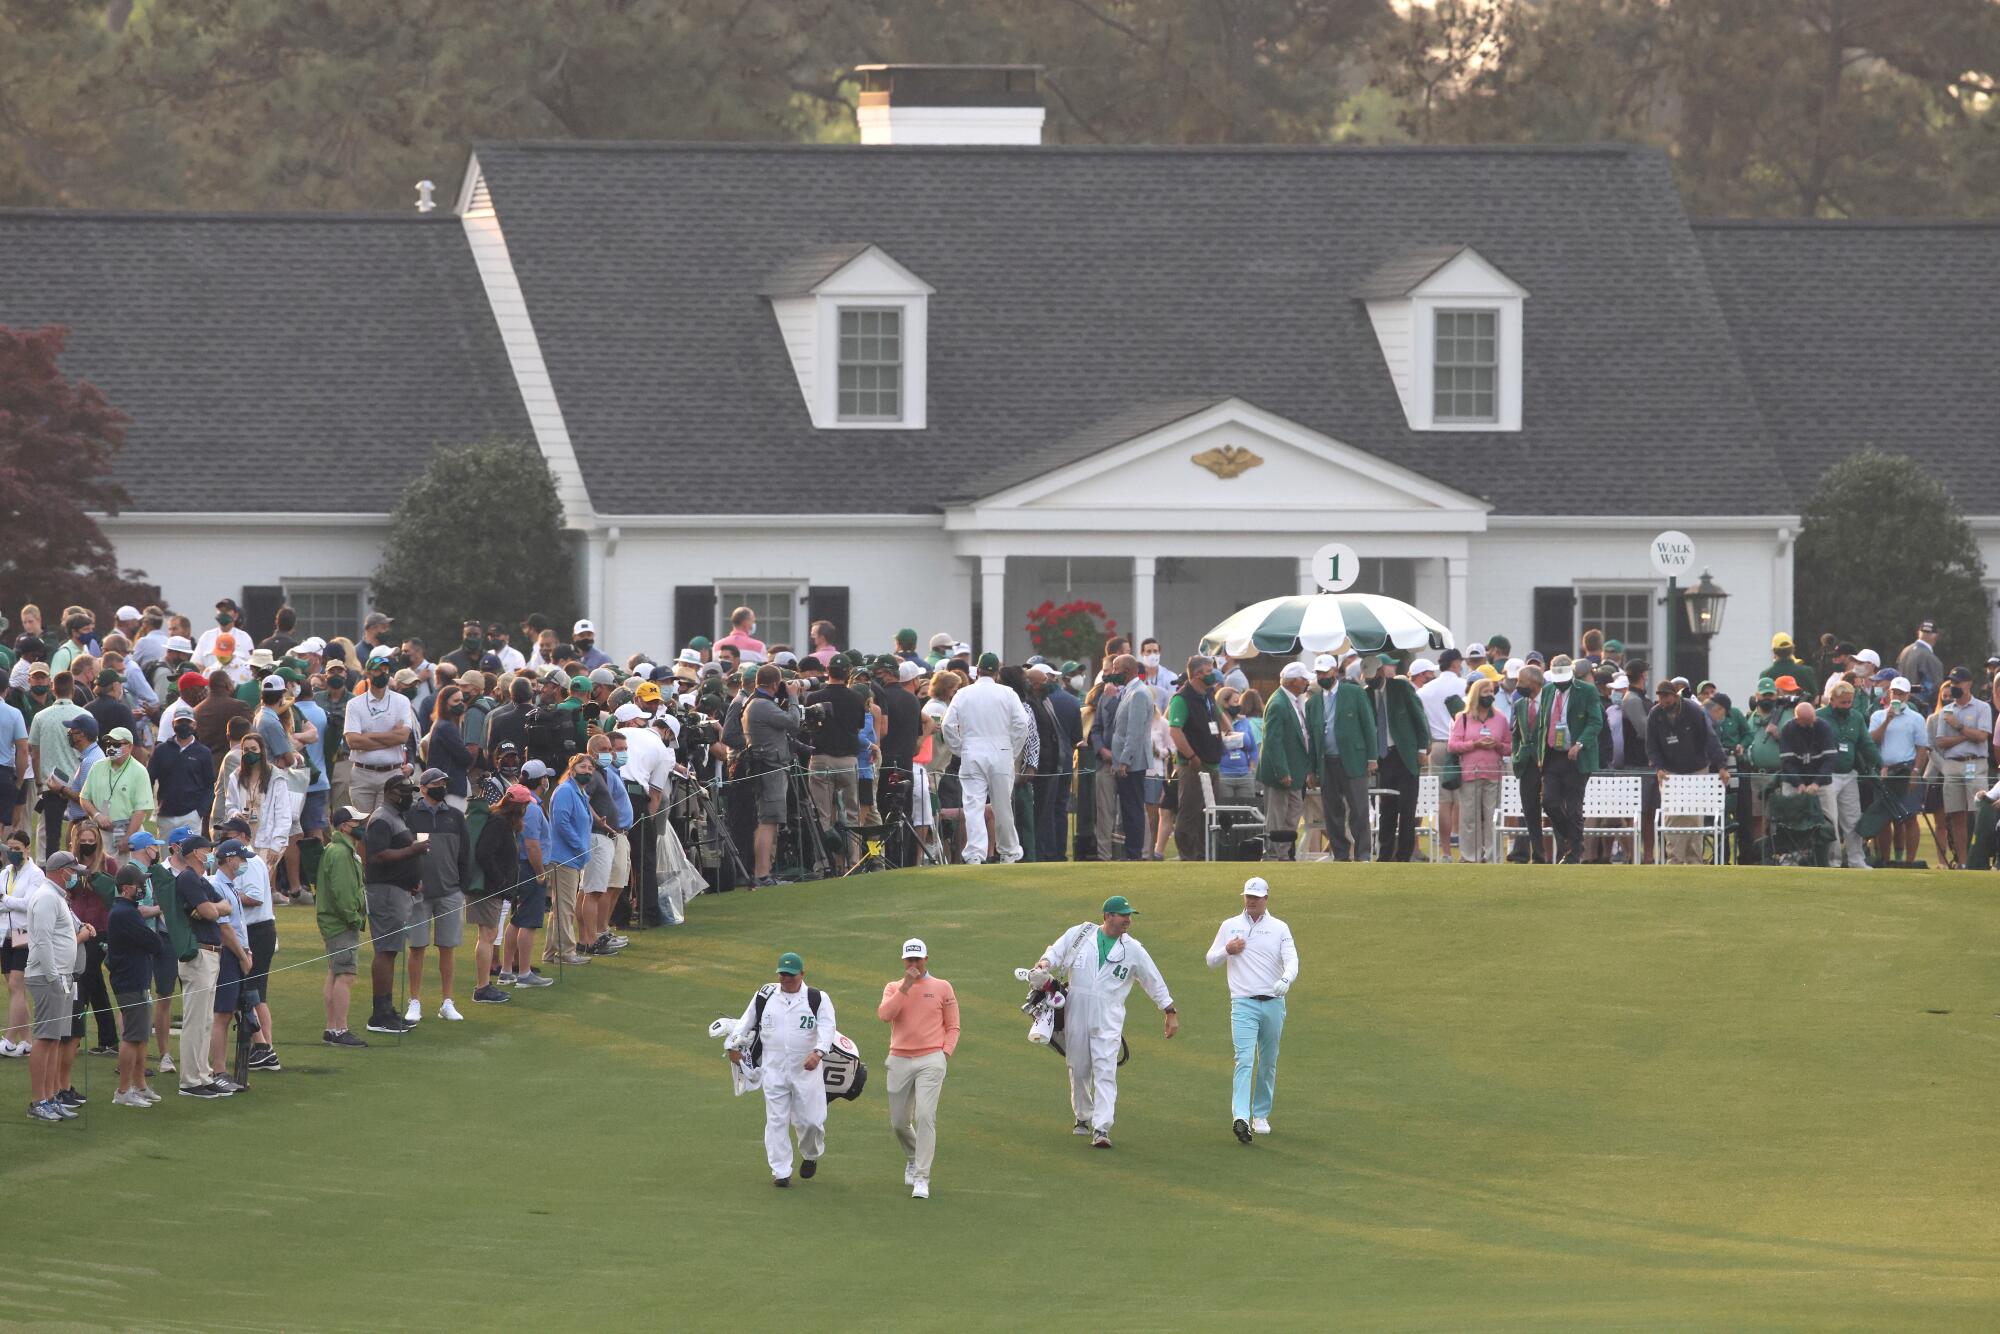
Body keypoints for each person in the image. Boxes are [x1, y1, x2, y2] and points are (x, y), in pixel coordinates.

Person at [1034, 895, 1177, 1148]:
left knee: (1105, 1070)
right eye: (1123, 915)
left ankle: (1102, 1128)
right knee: (1078, 1067)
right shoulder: (1080, 933)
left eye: (1129, 916)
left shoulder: (1133, 949)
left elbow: (1152, 979)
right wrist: (1045, 963)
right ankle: (1082, 1116)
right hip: (1076, 1010)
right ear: (1108, 916)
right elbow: (1055, 952)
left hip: (1109, 1017)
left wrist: (1169, 1010)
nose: (1128, 920)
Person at [726, 951, 835, 1187]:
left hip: (806, 1071)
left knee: (811, 1122)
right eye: (782, 974)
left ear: (802, 974)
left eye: (790, 975)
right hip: (773, 1069)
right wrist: (732, 1045)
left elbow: (827, 1028)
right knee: (776, 1120)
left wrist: (818, 1053)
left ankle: (811, 1154)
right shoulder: (764, 996)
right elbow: (745, 1022)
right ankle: (781, 1171)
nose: (785, 979)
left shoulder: (817, 998)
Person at [1205, 876, 1298, 1143]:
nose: (1251, 902)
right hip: (1243, 1002)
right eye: (1248, 897)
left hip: (1273, 1003)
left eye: (1256, 897)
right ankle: (1241, 1117)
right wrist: (1227, 949)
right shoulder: (1229, 926)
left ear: (1266, 899)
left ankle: (1260, 1114)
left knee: (1268, 1061)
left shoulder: (1279, 928)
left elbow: (1292, 960)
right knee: (1243, 1060)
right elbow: (1211, 959)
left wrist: (1285, 980)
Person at [877, 937, 960, 1200]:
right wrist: (906, 986)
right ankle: (913, 1158)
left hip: (931, 1060)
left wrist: (943, 1054)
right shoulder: (893, 987)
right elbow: (885, 1015)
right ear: (903, 961)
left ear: (926, 959)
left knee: (926, 1116)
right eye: (909, 959)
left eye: (918, 959)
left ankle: (922, 1177)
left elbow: (953, 1026)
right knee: (899, 1122)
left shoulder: (942, 987)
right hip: (899, 1059)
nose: (914, 964)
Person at [941, 654, 1032, 866]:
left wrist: (959, 749)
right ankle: (1008, 851)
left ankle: (975, 853)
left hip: (972, 750)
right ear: (996, 672)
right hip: (1001, 750)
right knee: (1002, 805)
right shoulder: (1007, 693)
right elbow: (1022, 724)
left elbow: (947, 725)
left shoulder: (963, 693)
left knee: (973, 804)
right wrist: (1012, 749)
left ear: (978, 671)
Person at [1516, 655, 1602, 865]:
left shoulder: (1587, 691)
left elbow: (1596, 721)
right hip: (1553, 756)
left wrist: (1579, 744)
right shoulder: (1547, 691)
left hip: (1576, 757)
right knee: (1549, 802)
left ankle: (1573, 854)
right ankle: (1574, 840)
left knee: (1573, 806)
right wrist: (1539, 754)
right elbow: (1542, 725)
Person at [166, 830, 233, 1097]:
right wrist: (212, 909)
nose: (211, 854)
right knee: (196, 1019)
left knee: (205, 1019)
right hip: (200, 953)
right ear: (196, 853)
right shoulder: (188, 879)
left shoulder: (200, 880)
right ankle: (190, 1080)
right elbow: (209, 910)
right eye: (207, 850)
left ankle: (202, 1074)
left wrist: (213, 909)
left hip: (211, 952)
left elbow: (225, 906)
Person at [24, 850, 89, 1121]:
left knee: (54, 1039)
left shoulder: (57, 897)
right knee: (46, 1038)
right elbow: (42, 940)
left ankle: (51, 1097)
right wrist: (54, 976)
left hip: (62, 978)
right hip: (49, 978)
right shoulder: (46, 897)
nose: (75, 876)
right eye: (72, 871)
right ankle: (39, 1101)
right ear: (61, 871)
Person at [405, 767, 473, 1022]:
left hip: (450, 892)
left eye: (444, 782)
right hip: (418, 893)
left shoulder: (455, 816)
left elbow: (465, 854)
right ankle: (414, 1002)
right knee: (417, 947)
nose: (442, 786)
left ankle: (447, 1002)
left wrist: (461, 887)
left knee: (447, 947)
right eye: (436, 783)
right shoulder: (411, 815)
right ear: (423, 788)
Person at [362, 774, 426, 1034]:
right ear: (389, 792)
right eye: (403, 791)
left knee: (391, 949)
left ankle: (387, 1010)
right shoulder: (381, 818)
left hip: (398, 891)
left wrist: (410, 879)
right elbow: (377, 855)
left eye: (410, 791)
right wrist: (413, 850)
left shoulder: (396, 817)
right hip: (385, 893)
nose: (408, 796)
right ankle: (379, 1014)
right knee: (386, 950)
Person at [1646, 678, 1730, 864]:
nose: (1663, 702)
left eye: (1666, 697)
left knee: (1693, 815)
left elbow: (1710, 739)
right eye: (1660, 698)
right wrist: (1658, 768)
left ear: (1675, 696)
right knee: (1672, 816)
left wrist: (1722, 766)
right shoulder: (1655, 714)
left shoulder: (1693, 711)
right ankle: (1674, 859)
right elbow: (1652, 745)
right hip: (1670, 770)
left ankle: (1694, 860)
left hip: (1696, 768)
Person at [105, 863, 165, 1106]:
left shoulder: (128, 911)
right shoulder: (125, 914)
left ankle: (139, 1085)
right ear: (127, 888)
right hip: (130, 982)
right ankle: (123, 1091)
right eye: (140, 885)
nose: (143, 888)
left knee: (141, 1035)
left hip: (136, 979)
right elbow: (155, 943)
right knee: (132, 1036)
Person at [742, 664, 802, 885]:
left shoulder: (756, 703)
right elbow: (793, 722)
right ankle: (762, 875)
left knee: (769, 821)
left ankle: (763, 873)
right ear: (775, 684)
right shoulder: (761, 705)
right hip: (771, 768)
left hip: (768, 767)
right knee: (768, 822)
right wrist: (794, 698)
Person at [1316, 655, 1379, 862]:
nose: (1321, 676)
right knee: (1332, 812)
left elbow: (1369, 726)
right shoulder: (1314, 701)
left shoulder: (1354, 693)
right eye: (1318, 673)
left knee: (1359, 810)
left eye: (1324, 672)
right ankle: (1340, 854)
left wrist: (1372, 757)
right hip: (1327, 762)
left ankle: (1363, 853)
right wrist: (1312, 769)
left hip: (1353, 759)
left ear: (1335, 671)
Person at [316, 805, 369, 1046]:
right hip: (340, 923)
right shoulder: (341, 853)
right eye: (357, 822)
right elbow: (343, 892)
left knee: (335, 972)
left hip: (334, 921)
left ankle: (332, 1028)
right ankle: (339, 1029)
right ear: (345, 826)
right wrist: (354, 918)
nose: (361, 826)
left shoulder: (339, 849)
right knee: (345, 974)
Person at [1929, 666, 1991, 867]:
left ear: (1969, 683)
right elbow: (1940, 742)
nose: (1955, 686)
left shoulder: (1982, 707)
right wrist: (1965, 735)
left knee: (1979, 812)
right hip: (1953, 764)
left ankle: (1981, 859)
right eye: (1952, 682)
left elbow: (1982, 736)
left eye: (1958, 682)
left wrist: (1958, 727)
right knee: (1956, 814)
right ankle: (1964, 862)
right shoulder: (1946, 710)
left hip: (1976, 762)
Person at [344, 653, 418, 815]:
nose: (384, 673)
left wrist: (369, 736)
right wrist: (391, 736)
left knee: (386, 823)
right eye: (378, 670)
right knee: (361, 825)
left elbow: (403, 737)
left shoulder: (401, 701)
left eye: (386, 670)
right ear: (368, 673)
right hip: (363, 774)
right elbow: (354, 742)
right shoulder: (355, 704)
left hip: (392, 774)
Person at [1165, 655, 1223, 860]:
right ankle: (1188, 855)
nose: (1213, 674)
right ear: (1198, 674)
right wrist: (1191, 755)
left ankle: (1204, 853)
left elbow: (1217, 718)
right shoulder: (1182, 698)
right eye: (1209, 671)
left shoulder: (1208, 694)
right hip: (1193, 765)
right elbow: (1175, 731)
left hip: (1212, 762)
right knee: (1190, 810)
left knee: (1207, 814)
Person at [1447, 677, 1510, 862]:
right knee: (1469, 818)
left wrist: (1497, 745)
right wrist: (1475, 744)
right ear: (1476, 695)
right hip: (1470, 774)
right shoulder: (1463, 718)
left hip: (1494, 774)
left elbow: (1509, 745)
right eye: (1485, 693)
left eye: (1491, 692)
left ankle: (1493, 856)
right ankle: (1470, 856)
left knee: (1493, 818)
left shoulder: (1500, 718)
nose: (1489, 696)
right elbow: (1453, 745)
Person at [1868, 677, 1930, 865]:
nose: (1897, 696)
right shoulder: (1878, 716)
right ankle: (1886, 860)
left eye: (1901, 693)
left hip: (1907, 769)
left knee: (1910, 816)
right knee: (1884, 818)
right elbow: (1872, 740)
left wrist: (1915, 771)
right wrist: (1887, 721)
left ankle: (1909, 862)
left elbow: (1922, 747)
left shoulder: (1916, 718)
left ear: (1907, 695)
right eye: (1894, 692)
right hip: (1885, 770)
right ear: (1890, 693)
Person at [1256, 663, 1315, 860]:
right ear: (1292, 681)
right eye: (1303, 678)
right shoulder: (1279, 703)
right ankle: (1273, 854)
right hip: (1281, 774)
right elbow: (1273, 741)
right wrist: (1282, 771)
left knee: (1292, 813)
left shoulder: (1293, 701)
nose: (1306, 682)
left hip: (1295, 772)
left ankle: (1282, 853)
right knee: (1277, 816)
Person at [1106, 654, 1157, 864]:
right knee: (1129, 807)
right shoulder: (1130, 691)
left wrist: (1125, 760)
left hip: (1132, 762)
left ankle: (1134, 853)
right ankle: (1132, 852)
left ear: (1126, 671)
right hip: (1128, 760)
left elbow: (1134, 732)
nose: (1112, 673)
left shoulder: (1138, 694)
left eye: (1115, 669)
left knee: (1132, 808)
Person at [1895, 621, 1944, 710]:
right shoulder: (1930, 658)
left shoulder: (1905, 651)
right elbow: (1934, 688)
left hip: (1901, 703)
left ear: (1918, 633)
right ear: (1935, 636)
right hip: (1920, 708)